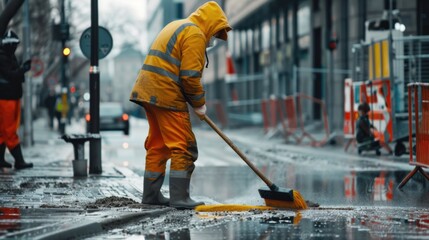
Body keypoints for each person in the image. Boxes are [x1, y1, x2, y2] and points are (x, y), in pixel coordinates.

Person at [130, 1, 231, 209]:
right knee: (183, 146)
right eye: (215, 34)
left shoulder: (178, 25)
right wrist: (199, 104)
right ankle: (180, 198)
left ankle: (151, 195)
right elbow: (190, 76)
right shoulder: (195, 34)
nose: (212, 40)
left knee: (158, 145)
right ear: (210, 24)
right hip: (166, 93)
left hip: (148, 91)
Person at [0, 29, 33, 169]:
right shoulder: (3, 58)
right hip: (6, 98)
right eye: (14, 44)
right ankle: (19, 161)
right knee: (9, 130)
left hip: (11, 97)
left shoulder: (9, 56)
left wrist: (21, 69)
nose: (15, 47)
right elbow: (10, 75)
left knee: (2, 131)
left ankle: (0, 160)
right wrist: (22, 70)